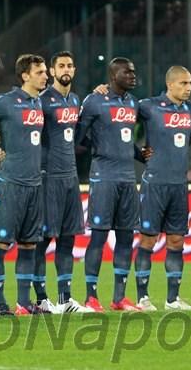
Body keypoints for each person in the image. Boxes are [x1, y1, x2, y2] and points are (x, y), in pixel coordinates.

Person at [75, 57, 147, 313]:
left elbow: (124, 139)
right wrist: (97, 146)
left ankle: (119, 298)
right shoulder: (94, 101)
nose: (132, 76)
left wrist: (142, 155)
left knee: (126, 237)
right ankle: (91, 297)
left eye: (133, 72)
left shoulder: (133, 103)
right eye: (127, 72)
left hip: (128, 179)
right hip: (103, 178)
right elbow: (77, 136)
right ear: (113, 75)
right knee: (99, 236)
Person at [0, 54, 47, 315]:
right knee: (1, 244)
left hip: (34, 184)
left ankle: (24, 303)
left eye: (45, 71)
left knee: (29, 245)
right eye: (40, 72)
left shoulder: (39, 102)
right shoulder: (6, 102)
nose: (45, 76)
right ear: (25, 75)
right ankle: (1, 303)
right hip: (10, 183)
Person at [134, 66, 191, 311]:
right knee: (148, 239)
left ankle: (173, 299)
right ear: (170, 84)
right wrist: (137, 152)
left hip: (179, 185)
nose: (188, 88)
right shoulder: (149, 106)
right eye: (183, 83)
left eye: (190, 83)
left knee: (176, 240)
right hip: (154, 184)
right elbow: (119, 120)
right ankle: (142, 298)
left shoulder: (190, 110)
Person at [32, 51, 90, 314]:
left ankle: (65, 299)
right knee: (43, 240)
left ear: (74, 70)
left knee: (67, 239)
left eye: (70, 65)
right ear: (52, 71)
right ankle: (41, 299)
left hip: (70, 178)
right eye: (61, 66)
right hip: (48, 178)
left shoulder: (75, 100)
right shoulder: (42, 100)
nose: (66, 69)